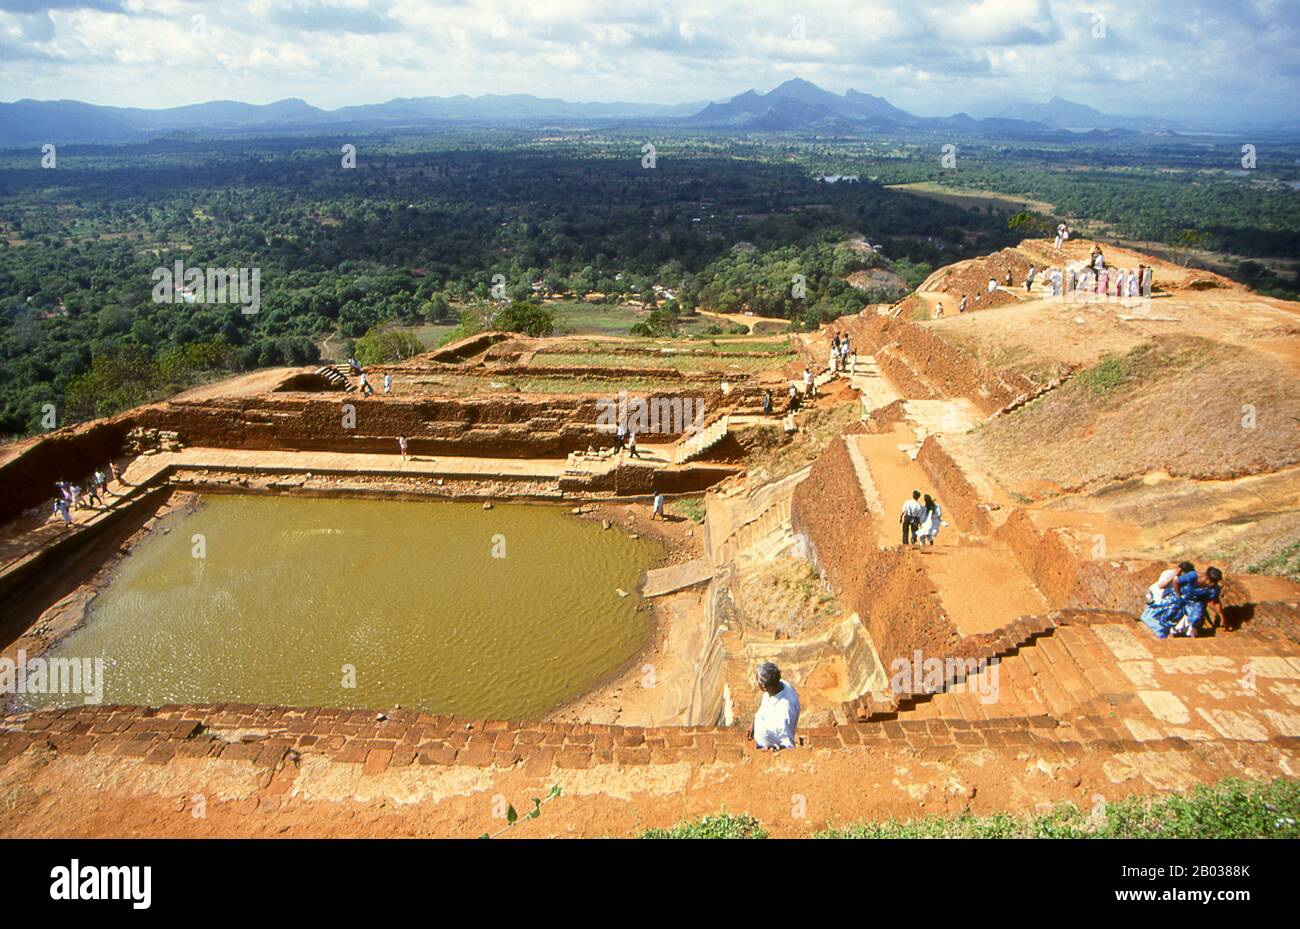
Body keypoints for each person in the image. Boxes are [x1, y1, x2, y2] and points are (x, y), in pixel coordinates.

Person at [746, 662, 800, 751]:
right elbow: (765, 705)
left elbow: (788, 744)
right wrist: (755, 722)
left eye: (757, 681)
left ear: (763, 687)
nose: (756, 684)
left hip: (768, 749)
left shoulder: (784, 712)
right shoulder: (778, 684)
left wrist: (776, 748)